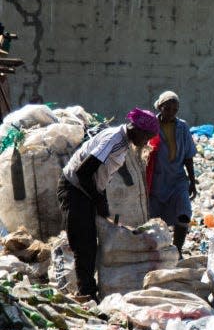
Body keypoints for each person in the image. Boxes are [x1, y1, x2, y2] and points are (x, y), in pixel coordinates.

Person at [57, 109, 159, 301]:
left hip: (85, 190)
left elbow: (98, 174)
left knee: (90, 244)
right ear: (136, 128)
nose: (146, 142)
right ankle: (86, 294)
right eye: (146, 137)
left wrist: (100, 198)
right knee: (83, 244)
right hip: (74, 188)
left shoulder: (124, 142)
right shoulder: (114, 140)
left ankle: (88, 290)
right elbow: (83, 172)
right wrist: (98, 200)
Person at [147, 90, 197, 256]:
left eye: (175, 110)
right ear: (160, 107)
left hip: (177, 179)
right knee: (152, 219)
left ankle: (178, 250)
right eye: (167, 109)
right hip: (156, 179)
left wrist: (192, 181)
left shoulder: (182, 127)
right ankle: (154, 252)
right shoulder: (151, 125)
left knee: (183, 212)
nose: (171, 113)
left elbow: (188, 156)